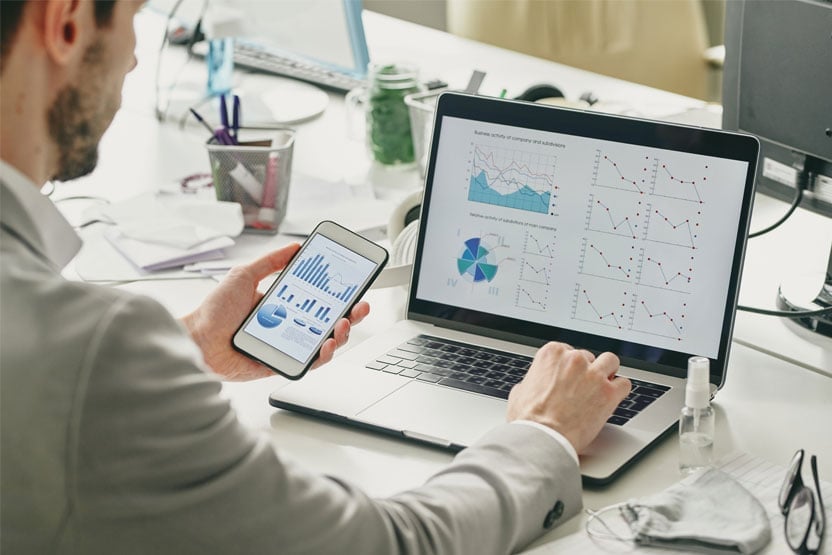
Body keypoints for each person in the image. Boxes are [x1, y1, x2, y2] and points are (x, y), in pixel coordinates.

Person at [0, 1, 631, 553]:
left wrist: (187, 342)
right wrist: (543, 431)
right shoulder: (92, 350)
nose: (135, 61)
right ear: (68, 21)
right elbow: (390, 546)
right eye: (135, 16)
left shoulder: (69, 343)